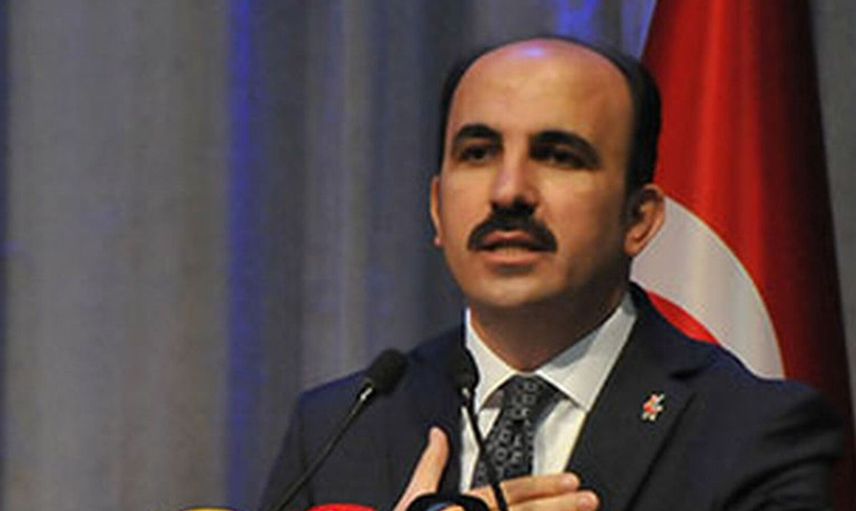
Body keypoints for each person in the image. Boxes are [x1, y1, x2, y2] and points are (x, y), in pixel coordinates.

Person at [259, 37, 843, 511]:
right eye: (478, 152)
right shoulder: (339, 428)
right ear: (437, 208)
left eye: (559, 156)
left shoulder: (753, 433)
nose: (509, 191)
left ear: (638, 219)